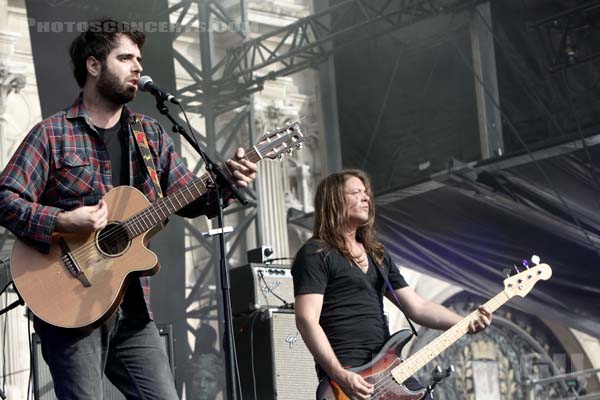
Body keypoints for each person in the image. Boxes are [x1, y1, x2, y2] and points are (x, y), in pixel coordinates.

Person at [0, 19, 256, 399]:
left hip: (132, 308)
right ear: (93, 65)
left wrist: (227, 181)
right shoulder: (53, 133)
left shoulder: (150, 134)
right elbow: (6, 199)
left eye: (139, 58)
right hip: (69, 307)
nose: (138, 67)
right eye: (125, 58)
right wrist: (61, 220)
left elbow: (193, 197)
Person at [292, 170, 491, 400]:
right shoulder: (317, 253)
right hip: (349, 374)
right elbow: (306, 319)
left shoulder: (377, 255)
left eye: (366, 193)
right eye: (356, 192)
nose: (366, 198)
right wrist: (340, 374)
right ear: (334, 199)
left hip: (389, 369)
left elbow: (417, 307)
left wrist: (466, 322)